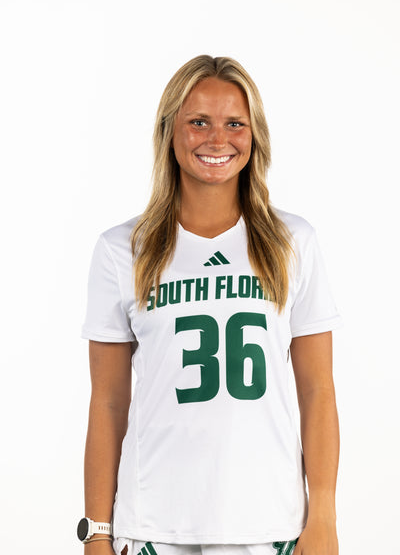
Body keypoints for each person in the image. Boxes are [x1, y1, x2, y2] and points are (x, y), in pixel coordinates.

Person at [79, 55, 342, 555]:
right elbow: (108, 402)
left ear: (254, 134)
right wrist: (97, 530)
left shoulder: (293, 242)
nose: (217, 139)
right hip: (154, 524)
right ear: (169, 131)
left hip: (267, 523)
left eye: (234, 123)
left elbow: (317, 390)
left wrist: (324, 513)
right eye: (198, 121)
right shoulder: (122, 249)